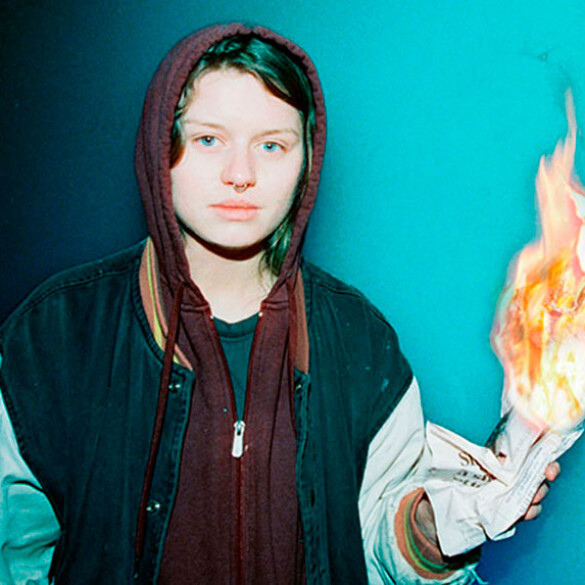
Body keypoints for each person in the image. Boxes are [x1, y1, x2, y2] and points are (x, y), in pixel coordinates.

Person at [0, 23, 557, 585]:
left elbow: (379, 540)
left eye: (271, 145)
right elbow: (14, 552)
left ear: (305, 163)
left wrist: (439, 529)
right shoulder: (57, 334)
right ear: (157, 146)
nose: (240, 175)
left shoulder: (359, 337)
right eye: (208, 139)